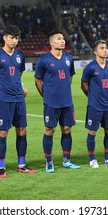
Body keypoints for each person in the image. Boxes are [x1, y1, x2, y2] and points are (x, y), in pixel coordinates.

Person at [0, 25, 37, 178]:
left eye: (16, 38)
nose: (14, 41)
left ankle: (22, 164)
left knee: (22, 130)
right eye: (11, 37)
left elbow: (19, 73)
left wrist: (19, 87)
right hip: (4, 99)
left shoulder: (20, 55)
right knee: (3, 131)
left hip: (19, 98)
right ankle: (1, 167)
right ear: (4, 38)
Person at [35, 29, 80, 173]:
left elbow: (70, 78)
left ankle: (66, 160)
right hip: (51, 102)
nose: (63, 41)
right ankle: (49, 161)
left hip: (67, 101)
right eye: (59, 38)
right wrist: (46, 96)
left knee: (67, 129)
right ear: (51, 42)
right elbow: (38, 80)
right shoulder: (44, 60)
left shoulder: (69, 59)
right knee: (50, 130)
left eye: (63, 38)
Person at [81, 39, 108, 168]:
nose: (105, 50)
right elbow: (84, 84)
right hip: (95, 105)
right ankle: (92, 159)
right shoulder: (90, 67)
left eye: (106, 48)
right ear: (95, 51)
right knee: (92, 131)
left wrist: (105, 93)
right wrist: (92, 96)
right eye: (102, 48)